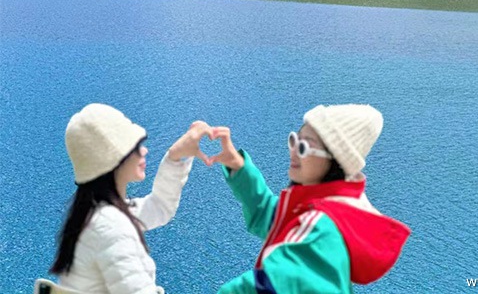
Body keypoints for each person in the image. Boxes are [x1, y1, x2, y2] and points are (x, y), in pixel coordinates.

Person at [206, 104, 411, 293]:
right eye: (294, 140)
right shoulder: (329, 208)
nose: (293, 152)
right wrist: (238, 166)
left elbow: (271, 284)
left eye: (303, 147)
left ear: (335, 160)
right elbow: (274, 219)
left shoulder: (321, 227)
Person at [49, 103, 211, 294]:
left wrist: (175, 157)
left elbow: (159, 207)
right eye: (134, 147)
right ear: (112, 159)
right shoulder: (111, 227)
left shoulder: (97, 213)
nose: (144, 151)